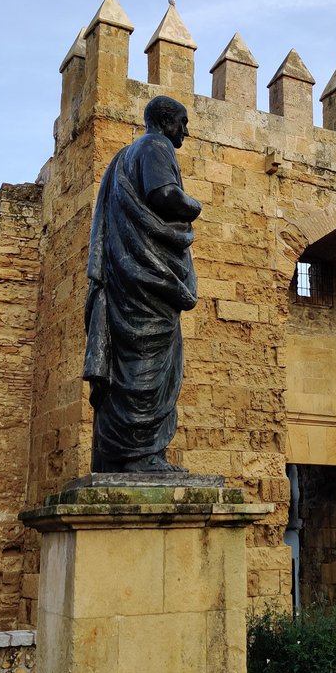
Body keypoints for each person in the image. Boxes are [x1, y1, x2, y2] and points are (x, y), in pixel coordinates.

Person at [83, 96, 201, 473]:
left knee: (128, 366)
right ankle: (141, 456)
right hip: (147, 281)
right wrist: (194, 206)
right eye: (182, 122)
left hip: (129, 275)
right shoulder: (155, 146)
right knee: (147, 367)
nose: (185, 130)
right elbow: (162, 194)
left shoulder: (121, 159)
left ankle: (121, 455)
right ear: (166, 123)